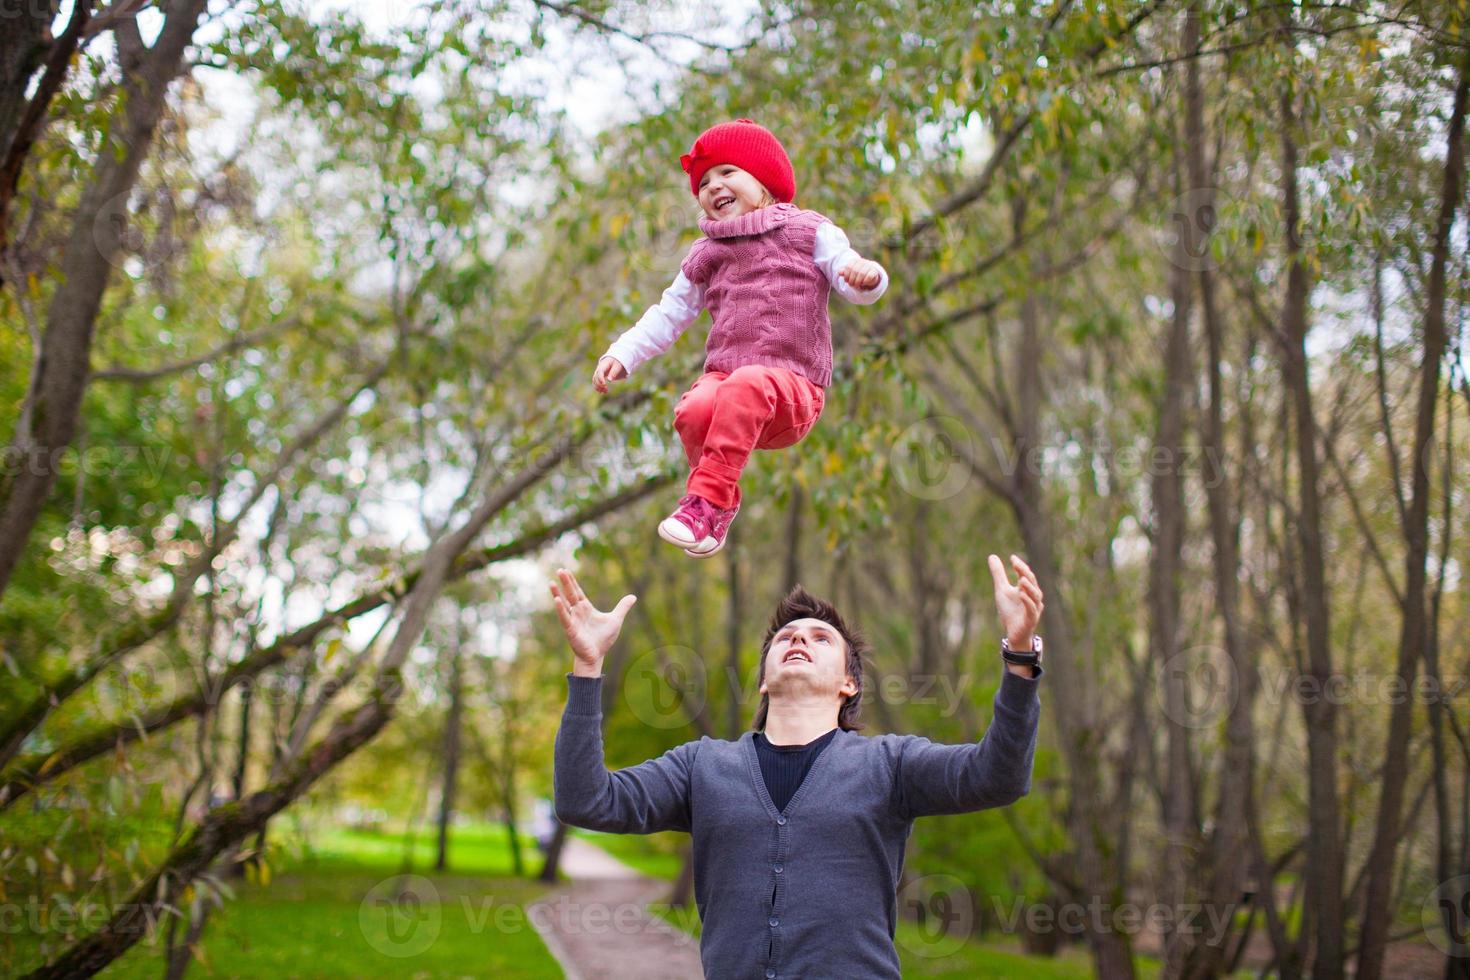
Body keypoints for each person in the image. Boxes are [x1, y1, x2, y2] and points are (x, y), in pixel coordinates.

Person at [547, 554, 1045, 980]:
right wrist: (587, 669)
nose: (798, 640)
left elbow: (997, 776)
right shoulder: (702, 766)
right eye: (785, 636)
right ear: (764, 680)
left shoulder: (890, 764)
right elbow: (586, 801)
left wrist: (1020, 657)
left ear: (848, 684)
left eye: (821, 638)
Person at [592, 118, 890, 559]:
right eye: (704, 182)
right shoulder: (706, 254)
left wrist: (868, 278)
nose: (714, 186)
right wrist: (623, 353)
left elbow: (847, 274)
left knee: (747, 383)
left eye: (727, 173)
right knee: (694, 409)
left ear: (763, 178)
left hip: (792, 390)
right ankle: (717, 507)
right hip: (729, 386)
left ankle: (704, 500)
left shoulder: (808, 230)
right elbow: (669, 314)